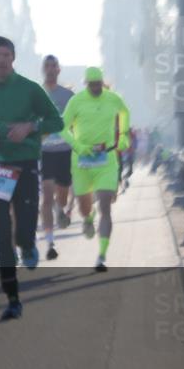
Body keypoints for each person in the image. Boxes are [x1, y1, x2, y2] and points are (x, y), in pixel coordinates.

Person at [0, 36, 63, 320]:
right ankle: (12, 298)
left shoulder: (30, 89)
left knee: (24, 230)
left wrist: (30, 127)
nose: (2, 60)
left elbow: (56, 121)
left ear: (13, 58)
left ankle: (28, 245)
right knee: (2, 231)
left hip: (26, 164)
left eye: (6, 55)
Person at [60, 67, 131, 272]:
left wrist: (123, 135)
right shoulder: (76, 101)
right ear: (86, 84)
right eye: (91, 85)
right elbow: (61, 128)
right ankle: (88, 218)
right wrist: (78, 146)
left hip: (106, 159)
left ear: (102, 82)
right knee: (84, 207)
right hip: (82, 161)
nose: (95, 88)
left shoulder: (113, 99)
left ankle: (101, 256)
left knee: (105, 206)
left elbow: (125, 112)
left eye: (98, 84)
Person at [39, 55, 75, 258]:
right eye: (47, 66)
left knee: (62, 194)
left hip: (65, 151)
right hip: (44, 152)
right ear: (43, 69)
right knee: (46, 196)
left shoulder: (68, 96)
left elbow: (78, 122)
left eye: (53, 66)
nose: (50, 69)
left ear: (58, 70)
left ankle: (60, 208)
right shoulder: (36, 94)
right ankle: (50, 243)